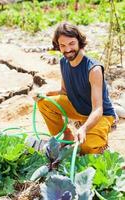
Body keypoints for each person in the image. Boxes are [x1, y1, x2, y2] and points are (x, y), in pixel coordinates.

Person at [35, 22, 117, 154]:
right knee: (44, 103)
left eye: (71, 43)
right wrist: (44, 93)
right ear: (58, 46)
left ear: (79, 41)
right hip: (78, 108)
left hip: (100, 115)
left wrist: (84, 128)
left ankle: (101, 142)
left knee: (86, 148)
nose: (67, 49)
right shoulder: (63, 62)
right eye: (62, 45)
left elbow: (98, 109)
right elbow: (64, 92)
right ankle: (67, 135)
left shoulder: (93, 69)